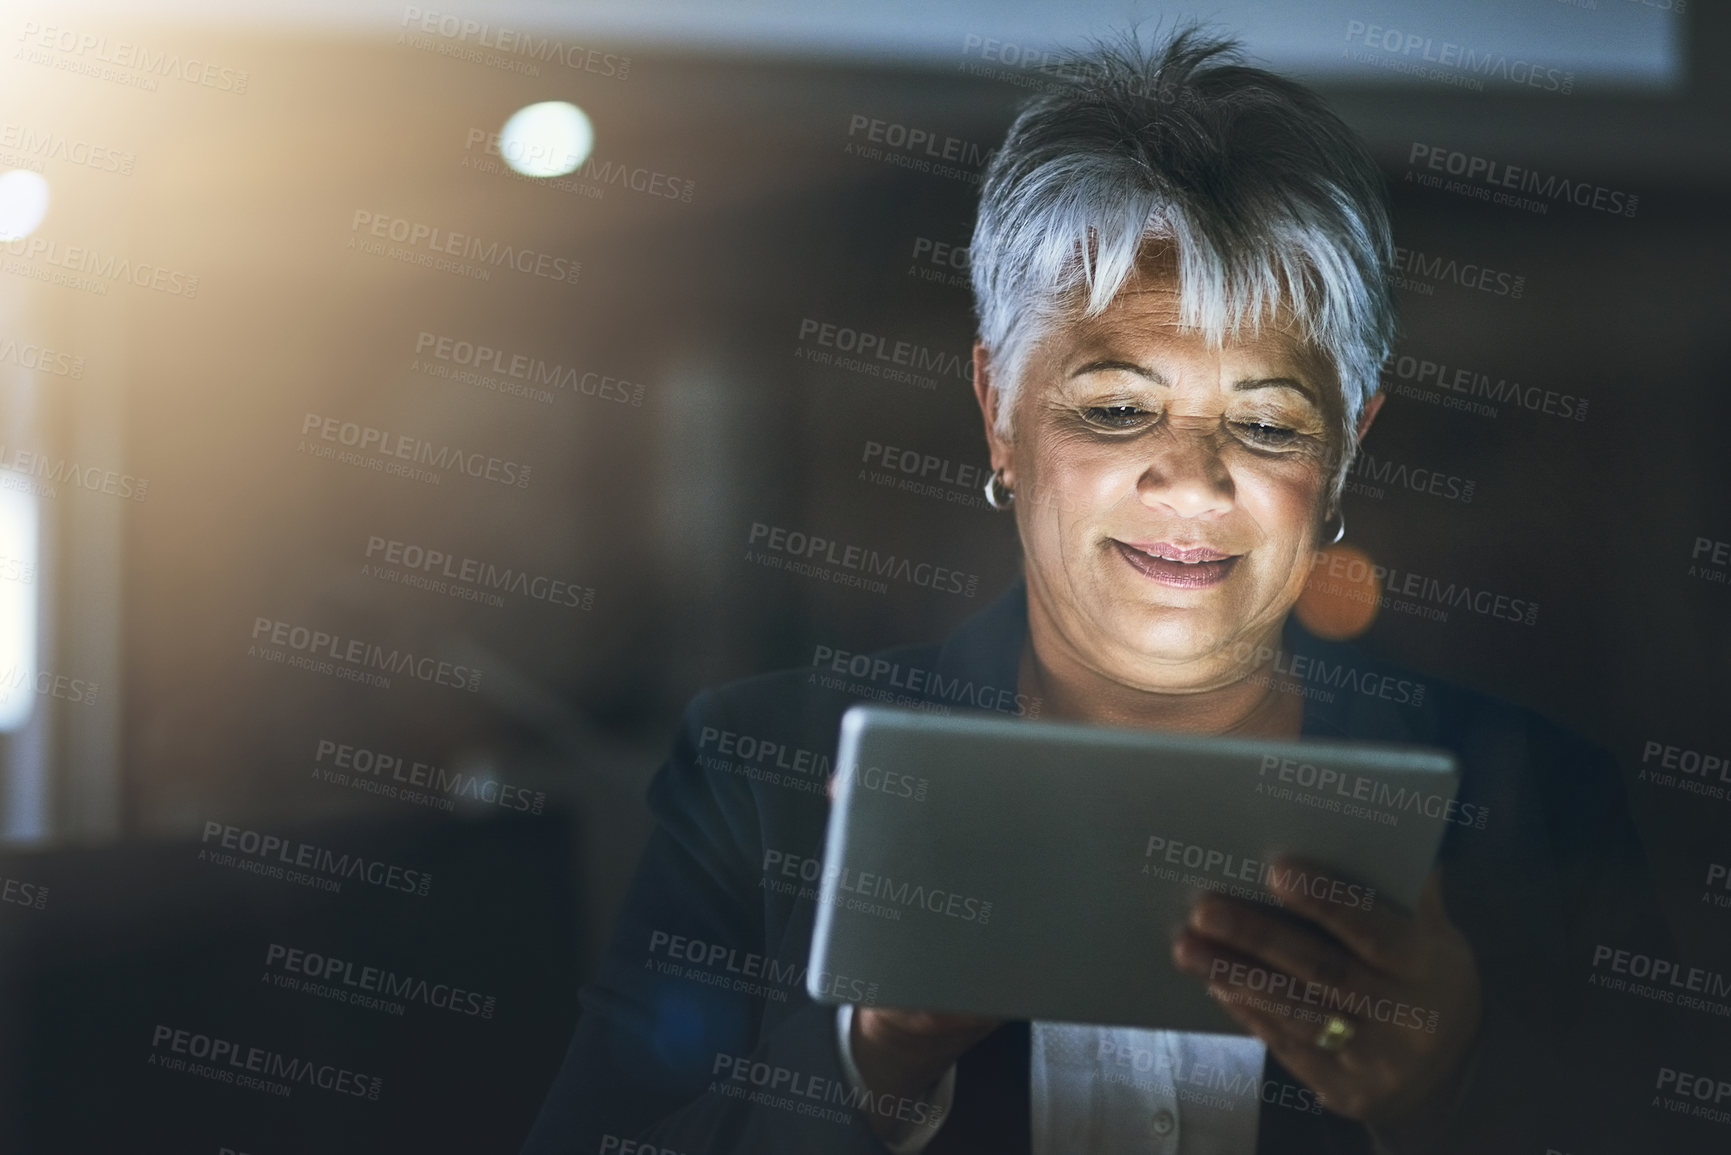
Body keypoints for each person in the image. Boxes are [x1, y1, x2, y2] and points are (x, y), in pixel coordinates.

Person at [520, 29, 1677, 1155]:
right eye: (1117, 407)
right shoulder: (754, 778)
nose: (1192, 481)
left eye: (1268, 424)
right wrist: (874, 1063)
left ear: (1349, 455)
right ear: (999, 414)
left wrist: (1451, 1101)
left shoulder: (1538, 807)